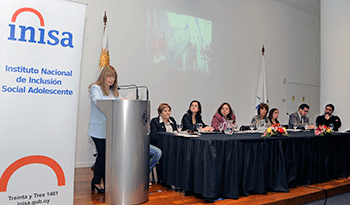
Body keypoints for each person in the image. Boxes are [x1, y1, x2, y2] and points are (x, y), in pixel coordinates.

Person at [88, 65, 121, 193]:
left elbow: (119, 104)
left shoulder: (114, 91)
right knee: (102, 156)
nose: (111, 79)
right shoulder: (95, 88)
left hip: (111, 130)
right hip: (97, 130)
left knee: (106, 157)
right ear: (103, 76)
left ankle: (104, 182)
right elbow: (98, 102)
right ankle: (96, 182)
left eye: (113, 77)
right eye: (109, 76)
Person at [149, 103, 177, 170]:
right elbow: (154, 136)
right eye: (165, 111)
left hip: (171, 145)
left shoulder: (172, 120)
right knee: (158, 153)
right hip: (159, 145)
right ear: (160, 113)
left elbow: (176, 131)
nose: (168, 113)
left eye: (169, 111)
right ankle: (145, 171)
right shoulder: (155, 121)